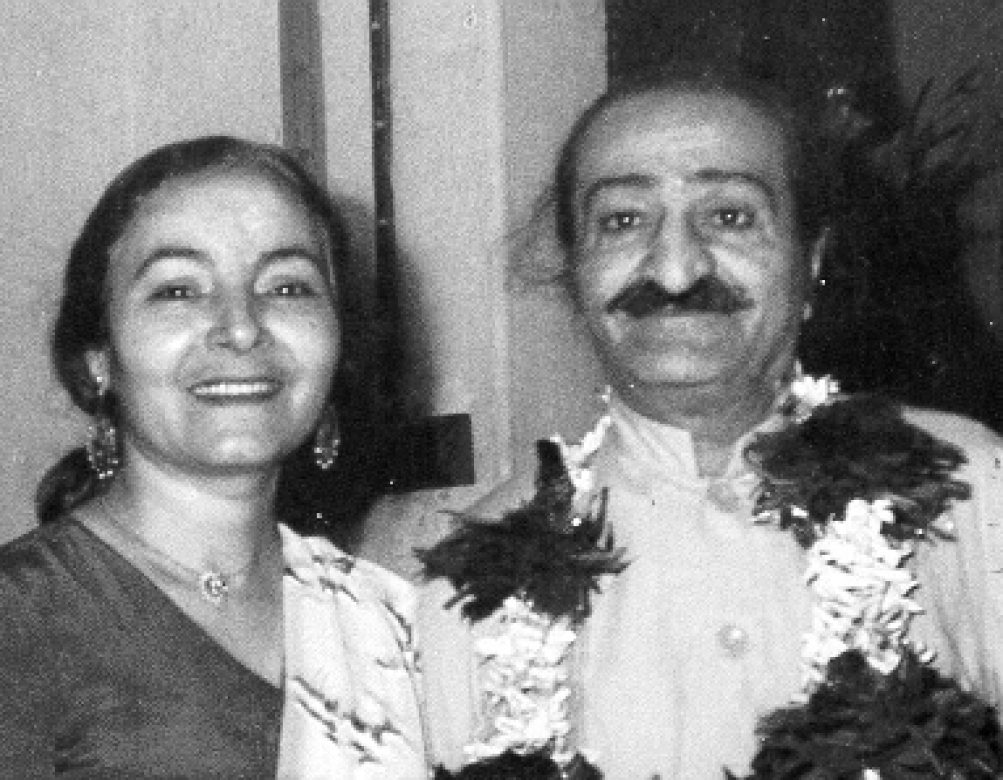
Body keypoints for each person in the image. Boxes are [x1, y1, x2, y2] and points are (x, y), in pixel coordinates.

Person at [418, 65, 1003, 777]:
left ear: (810, 261)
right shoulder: (465, 587)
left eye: (729, 216)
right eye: (622, 220)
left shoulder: (968, 488)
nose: (675, 269)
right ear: (574, 273)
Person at [0, 136, 426, 777]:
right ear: (98, 358)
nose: (242, 327)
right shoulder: (23, 617)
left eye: (288, 287)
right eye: (178, 290)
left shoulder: (384, 622)